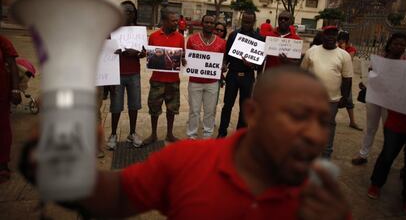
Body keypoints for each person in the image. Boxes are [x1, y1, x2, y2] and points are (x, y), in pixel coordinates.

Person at [20, 67, 350, 219]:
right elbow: (117, 197)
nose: (315, 135)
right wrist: (58, 169)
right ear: (253, 113)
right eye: (297, 115)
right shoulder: (186, 160)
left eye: (323, 121)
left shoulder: (325, 201)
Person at [367, 34, 406, 217]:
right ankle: (376, 184)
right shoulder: (402, 69)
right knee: (387, 154)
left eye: (403, 44)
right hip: (397, 122)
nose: (400, 46)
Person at [351, 33, 406, 165]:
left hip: (391, 102)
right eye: (396, 44)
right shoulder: (379, 58)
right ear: (390, 45)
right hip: (374, 97)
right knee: (370, 127)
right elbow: (371, 73)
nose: (399, 47)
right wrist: (365, 82)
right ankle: (363, 154)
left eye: (402, 45)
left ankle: (386, 159)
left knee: (389, 130)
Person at [301, 26, 353, 158]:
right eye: (328, 34)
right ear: (322, 35)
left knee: (328, 125)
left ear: (337, 37)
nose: (331, 37)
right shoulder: (312, 51)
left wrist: (345, 98)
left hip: (332, 99)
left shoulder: (344, 55)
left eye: (334, 35)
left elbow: (347, 79)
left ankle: (326, 153)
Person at [217, 10, 264, 138]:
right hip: (232, 75)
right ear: (241, 20)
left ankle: (240, 134)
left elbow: (260, 63)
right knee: (227, 105)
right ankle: (222, 132)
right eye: (244, 21)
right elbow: (226, 56)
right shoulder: (233, 35)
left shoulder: (259, 39)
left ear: (254, 22)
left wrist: (252, 65)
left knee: (245, 107)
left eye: (249, 22)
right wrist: (224, 64)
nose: (246, 24)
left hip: (248, 76)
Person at [106, 1, 146, 150]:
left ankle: (132, 133)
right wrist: (113, 50)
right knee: (116, 106)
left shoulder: (139, 32)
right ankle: (113, 134)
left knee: (134, 105)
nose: (127, 14)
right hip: (116, 74)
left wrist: (137, 53)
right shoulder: (111, 31)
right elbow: (105, 51)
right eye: (124, 11)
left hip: (134, 73)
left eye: (130, 11)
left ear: (134, 14)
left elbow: (144, 53)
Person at [144, 9, 186, 144]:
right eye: (173, 20)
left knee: (172, 109)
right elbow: (150, 56)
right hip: (157, 80)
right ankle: (154, 134)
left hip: (173, 81)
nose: (176, 23)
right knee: (154, 109)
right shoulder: (154, 36)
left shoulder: (180, 38)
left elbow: (182, 56)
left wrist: (183, 59)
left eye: (177, 20)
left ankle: (169, 134)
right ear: (164, 21)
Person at [186, 15, 226, 139]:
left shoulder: (222, 42)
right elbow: (187, 58)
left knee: (210, 111)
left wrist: (223, 67)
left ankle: (207, 135)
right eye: (206, 22)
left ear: (214, 25)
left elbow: (223, 61)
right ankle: (191, 135)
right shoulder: (192, 39)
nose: (209, 24)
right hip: (195, 81)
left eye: (211, 23)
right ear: (202, 23)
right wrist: (184, 61)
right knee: (194, 110)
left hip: (212, 82)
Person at [0, 35, 22, 183]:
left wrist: (15, 90)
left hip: (1, 92)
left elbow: (12, 64)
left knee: (2, 127)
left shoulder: (3, 41)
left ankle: (2, 164)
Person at [337, 31, 361, 131]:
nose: (340, 42)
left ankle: (352, 121)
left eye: (342, 41)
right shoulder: (335, 48)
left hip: (346, 78)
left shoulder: (351, 49)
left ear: (346, 41)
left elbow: (347, 61)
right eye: (339, 40)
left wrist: (342, 49)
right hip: (336, 77)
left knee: (348, 100)